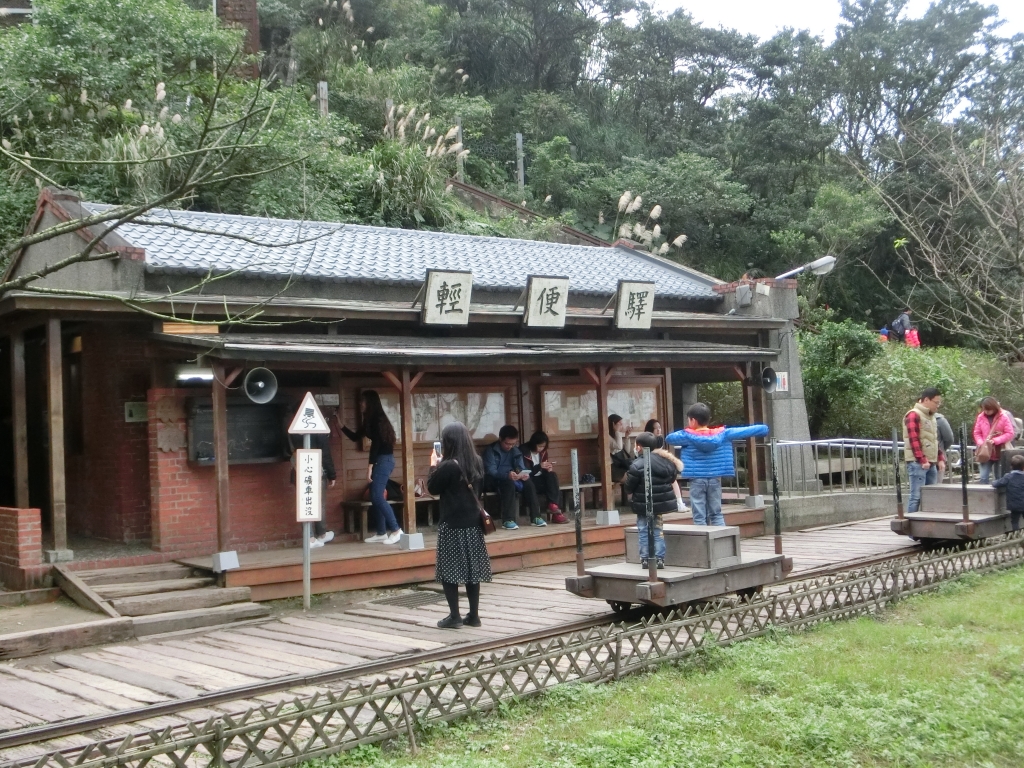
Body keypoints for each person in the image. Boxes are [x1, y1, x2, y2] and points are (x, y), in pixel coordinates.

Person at [428, 422, 492, 628]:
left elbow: (432, 487)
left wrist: (433, 465)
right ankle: (474, 615)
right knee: (473, 571)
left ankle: (454, 616)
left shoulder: (448, 466)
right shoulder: (478, 461)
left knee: (450, 570)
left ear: (448, 442)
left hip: (452, 524)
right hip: (473, 524)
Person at [665, 403, 769, 527]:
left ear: (693, 420)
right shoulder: (723, 433)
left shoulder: (686, 436)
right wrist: (764, 429)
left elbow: (669, 438)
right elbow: (745, 430)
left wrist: (688, 431)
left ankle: (703, 543)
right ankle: (721, 543)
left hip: (696, 480)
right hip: (715, 479)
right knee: (716, 513)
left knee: (699, 516)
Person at [341, 390, 403, 544]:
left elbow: (376, 446)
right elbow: (356, 437)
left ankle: (396, 530)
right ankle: (381, 532)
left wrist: (369, 467)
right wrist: (339, 424)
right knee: (376, 495)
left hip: (383, 460)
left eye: (363, 401)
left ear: (370, 403)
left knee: (376, 495)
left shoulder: (377, 420)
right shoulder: (370, 420)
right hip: (381, 461)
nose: (361, 404)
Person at [623, 432, 683, 569]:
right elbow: (672, 478)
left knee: (643, 530)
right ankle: (659, 558)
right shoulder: (665, 462)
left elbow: (628, 487)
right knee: (658, 530)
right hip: (661, 504)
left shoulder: (636, 465)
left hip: (642, 505)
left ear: (638, 447)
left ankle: (645, 558)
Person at [482, 425, 545, 530]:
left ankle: (536, 517)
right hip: (494, 480)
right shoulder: (491, 450)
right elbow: (490, 471)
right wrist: (507, 475)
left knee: (528, 482)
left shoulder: (515, 451)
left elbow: (520, 467)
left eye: (513, 444)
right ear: (500, 439)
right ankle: (508, 519)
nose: (509, 446)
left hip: (512, 477)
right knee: (508, 483)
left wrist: (522, 474)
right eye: (507, 443)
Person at [289, 430, 337, 549]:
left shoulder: (293, 428)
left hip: (298, 470)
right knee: (319, 504)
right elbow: (325, 454)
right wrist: (332, 475)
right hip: (316, 470)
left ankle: (313, 536)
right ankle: (317, 536)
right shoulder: (318, 430)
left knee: (305, 502)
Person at [903, 387, 944, 512]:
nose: (937, 406)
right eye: (936, 402)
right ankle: (911, 528)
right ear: (926, 400)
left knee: (931, 497)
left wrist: (940, 458)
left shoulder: (931, 417)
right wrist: (922, 459)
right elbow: (913, 439)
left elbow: (933, 440)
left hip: (931, 462)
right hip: (918, 463)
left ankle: (928, 527)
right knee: (916, 497)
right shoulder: (913, 414)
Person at [522, 431, 568, 524]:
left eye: (543, 447)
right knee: (551, 486)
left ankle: (553, 506)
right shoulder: (523, 451)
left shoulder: (543, 452)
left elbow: (543, 469)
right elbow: (524, 472)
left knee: (552, 476)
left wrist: (548, 468)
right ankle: (557, 513)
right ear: (533, 443)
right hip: (528, 480)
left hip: (540, 479)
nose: (541, 449)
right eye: (539, 446)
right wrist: (539, 466)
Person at [972, 397, 1016, 483]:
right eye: (985, 409)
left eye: (989, 409)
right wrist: (981, 442)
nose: (987, 411)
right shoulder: (980, 417)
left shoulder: (1003, 417)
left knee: (999, 477)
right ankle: (983, 496)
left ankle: (999, 496)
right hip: (985, 451)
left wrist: (996, 440)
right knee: (983, 477)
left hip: (999, 450)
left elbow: (1010, 433)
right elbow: (977, 433)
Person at [991, 454, 1024, 531]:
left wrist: (993, 482)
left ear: (1011, 467)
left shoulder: (1008, 477)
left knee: (1015, 521)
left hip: (1015, 504)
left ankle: (1017, 536)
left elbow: (996, 484)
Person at [609, 415, 635, 482]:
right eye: (619, 424)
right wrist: (617, 431)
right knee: (633, 479)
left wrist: (626, 436)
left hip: (620, 467)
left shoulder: (616, 436)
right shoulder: (606, 436)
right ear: (613, 424)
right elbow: (619, 446)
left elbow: (627, 450)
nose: (621, 426)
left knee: (636, 476)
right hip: (611, 469)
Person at [935, 413, 954, 483]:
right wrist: (942, 449)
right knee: (936, 488)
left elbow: (949, 439)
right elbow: (949, 439)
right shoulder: (940, 420)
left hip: (937, 458)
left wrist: (941, 450)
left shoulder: (939, 420)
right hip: (938, 458)